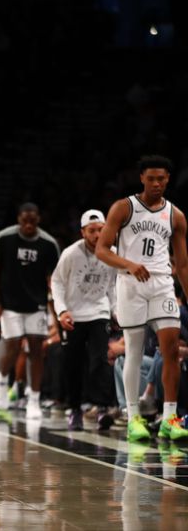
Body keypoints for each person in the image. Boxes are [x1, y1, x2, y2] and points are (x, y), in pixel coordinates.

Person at [96, 155, 188, 441]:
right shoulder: (124, 208)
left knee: (171, 350)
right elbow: (102, 249)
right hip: (130, 282)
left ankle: (169, 418)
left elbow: (182, 264)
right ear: (142, 179)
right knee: (134, 351)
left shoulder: (176, 215)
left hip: (161, 283)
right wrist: (129, 265)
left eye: (161, 178)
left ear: (168, 179)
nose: (157, 183)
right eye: (151, 179)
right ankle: (134, 416)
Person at [0, 203, 60, 419]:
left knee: (36, 350)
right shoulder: (4, 238)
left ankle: (34, 400)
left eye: (32, 220)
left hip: (37, 304)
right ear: (19, 219)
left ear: (38, 219)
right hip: (10, 304)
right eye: (24, 220)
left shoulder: (48, 244)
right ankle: (2, 381)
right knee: (13, 345)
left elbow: (54, 278)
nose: (28, 224)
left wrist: (53, 304)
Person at [50, 209, 117, 430]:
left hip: (99, 312)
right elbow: (57, 282)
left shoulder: (112, 253)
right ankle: (75, 408)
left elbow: (113, 286)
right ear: (83, 232)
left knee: (100, 360)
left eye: (101, 229)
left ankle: (102, 408)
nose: (97, 234)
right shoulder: (71, 253)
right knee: (73, 364)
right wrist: (61, 312)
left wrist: (116, 312)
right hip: (74, 315)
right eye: (92, 231)